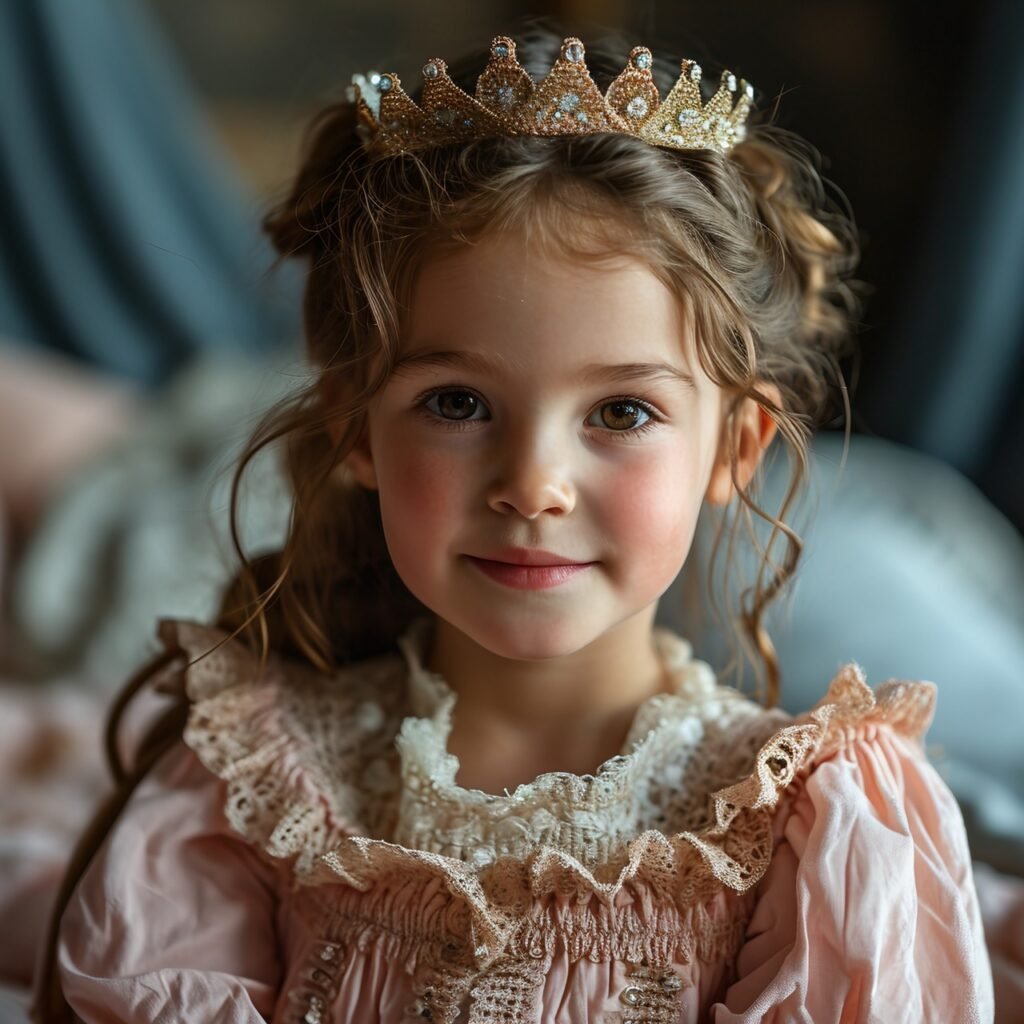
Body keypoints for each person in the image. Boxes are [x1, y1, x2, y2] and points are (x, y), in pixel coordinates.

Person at [34, 23, 994, 1023]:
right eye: (456, 403)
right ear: (356, 428)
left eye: (621, 412)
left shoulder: (805, 824)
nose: (532, 485)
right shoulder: (256, 779)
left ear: (733, 449)